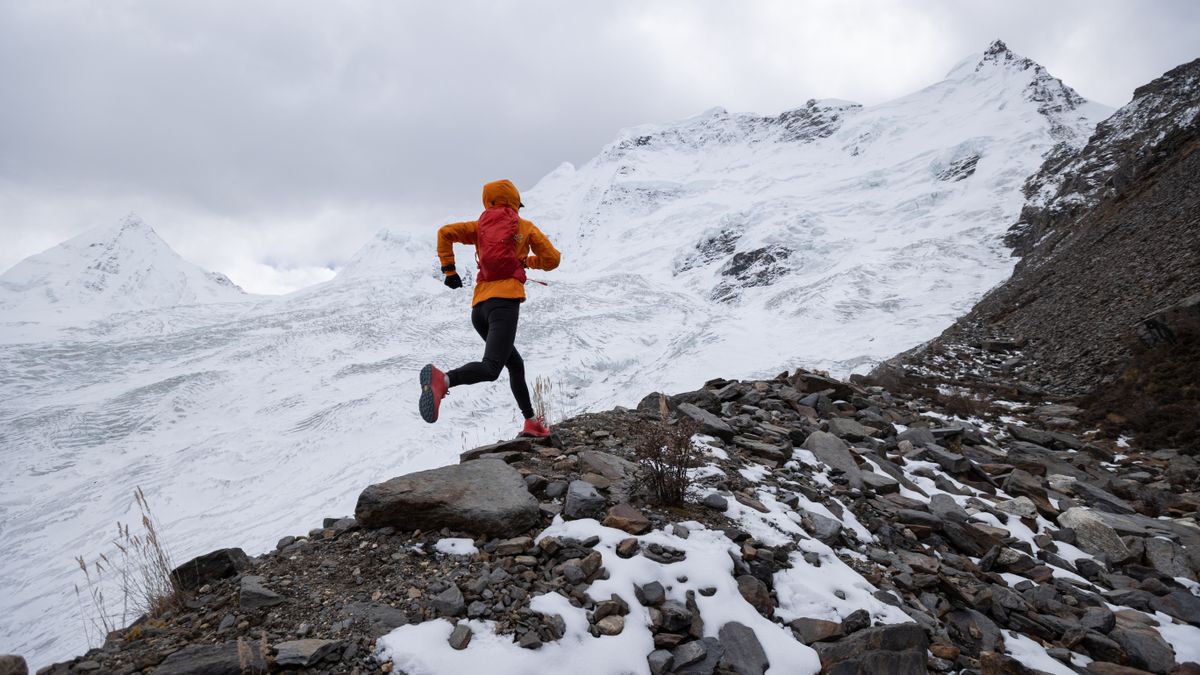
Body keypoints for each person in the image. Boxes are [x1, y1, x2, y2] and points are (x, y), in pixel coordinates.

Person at [419, 179, 561, 437]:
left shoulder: (478, 227)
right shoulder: (525, 227)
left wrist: (449, 270)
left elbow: (445, 233)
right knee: (492, 368)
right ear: (516, 203)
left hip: (480, 309)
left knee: (515, 364)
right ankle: (444, 379)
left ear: (488, 201)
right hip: (504, 305)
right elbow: (553, 260)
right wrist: (526, 260)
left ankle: (530, 422)